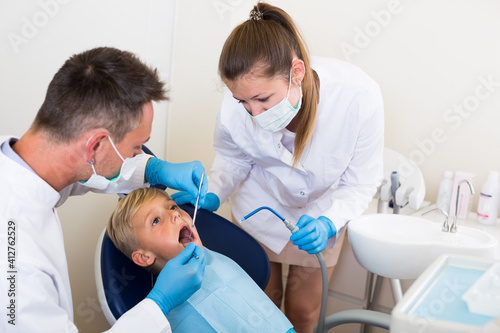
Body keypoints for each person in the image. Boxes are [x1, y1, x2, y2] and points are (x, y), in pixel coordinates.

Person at [173, 3, 384, 332]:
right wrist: (213, 193)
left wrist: (329, 221)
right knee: (261, 303)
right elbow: (233, 159)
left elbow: (360, 184)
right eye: (244, 102)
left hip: (319, 214)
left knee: (303, 311)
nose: (254, 113)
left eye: (263, 99)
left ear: (296, 72)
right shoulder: (234, 107)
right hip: (259, 208)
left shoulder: (358, 99)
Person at [0, 47, 208, 333]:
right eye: (136, 147)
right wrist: (159, 304)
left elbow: (82, 174)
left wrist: (152, 170)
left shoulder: (23, 162)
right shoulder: (17, 264)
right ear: (95, 146)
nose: (141, 153)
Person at [107, 187, 295, 333]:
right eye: (156, 220)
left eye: (172, 206)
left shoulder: (209, 255)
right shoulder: (176, 313)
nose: (175, 214)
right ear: (144, 257)